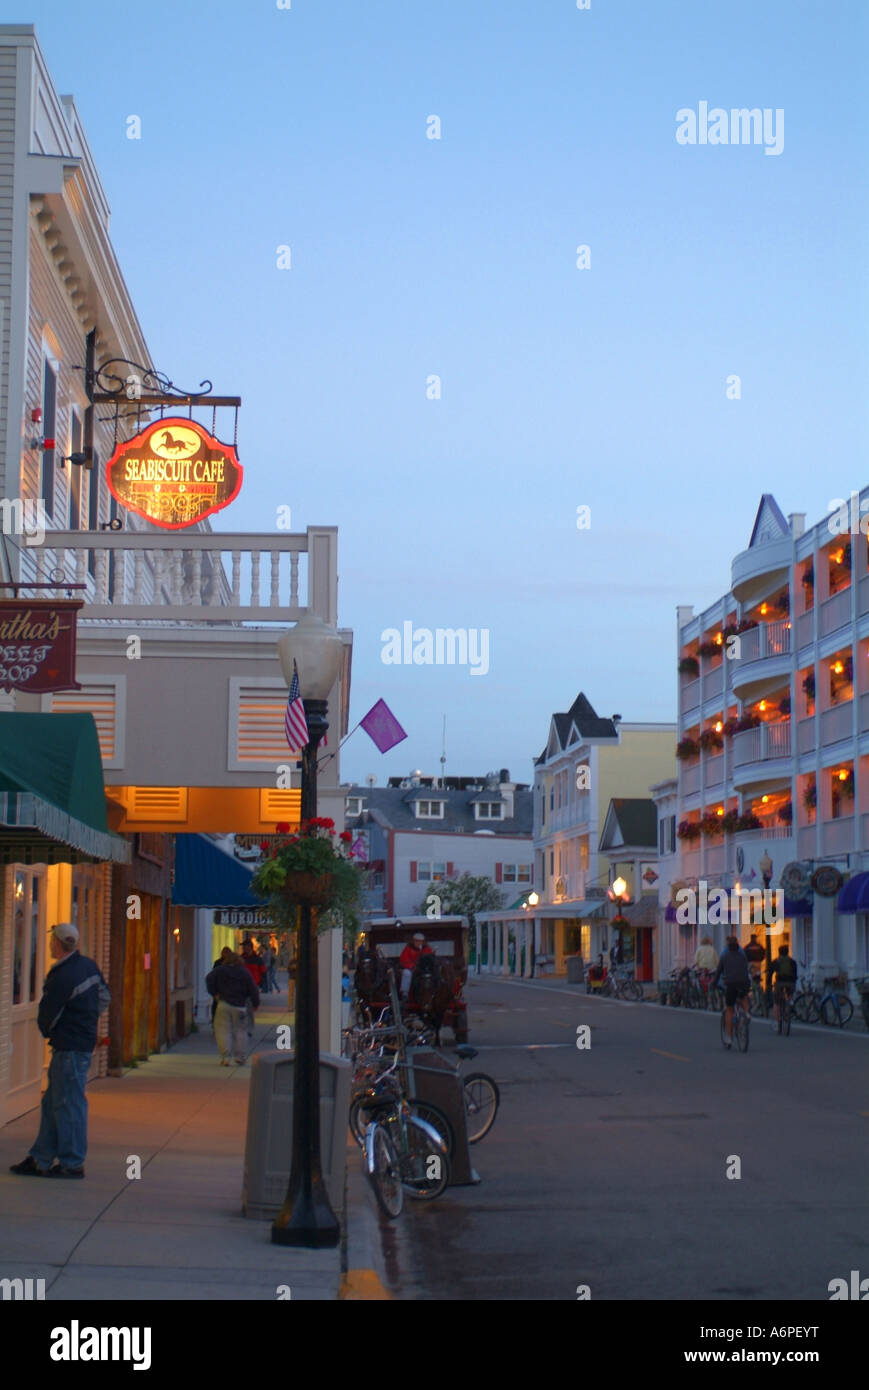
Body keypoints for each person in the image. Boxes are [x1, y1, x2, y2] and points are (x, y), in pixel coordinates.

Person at [10, 923, 110, 1179]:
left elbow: (49, 1016)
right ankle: (41, 1157)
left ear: (57, 943)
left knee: (68, 1104)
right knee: (53, 1103)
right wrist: (86, 1021)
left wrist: (54, 1032)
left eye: (52, 940)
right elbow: (104, 997)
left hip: (69, 1047)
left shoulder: (62, 976)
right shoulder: (88, 966)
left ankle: (72, 1162)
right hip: (79, 1044)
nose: (50, 944)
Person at [205, 950, 260, 1065]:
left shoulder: (220, 970)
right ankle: (240, 1056)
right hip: (240, 1005)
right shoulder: (244, 972)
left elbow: (209, 979)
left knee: (223, 1031)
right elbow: (253, 988)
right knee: (241, 1031)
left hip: (223, 1003)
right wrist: (255, 1003)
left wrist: (214, 993)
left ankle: (225, 1057)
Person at [712, 935, 751, 1048]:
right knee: (743, 997)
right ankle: (746, 1013)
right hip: (743, 982)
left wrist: (714, 983)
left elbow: (719, 971)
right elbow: (746, 968)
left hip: (731, 984)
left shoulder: (724, 955)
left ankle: (728, 1037)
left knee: (729, 1009)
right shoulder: (743, 954)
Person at [769, 944, 797, 1027]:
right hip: (790, 982)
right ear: (788, 952)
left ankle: (777, 1022)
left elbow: (770, 973)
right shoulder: (792, 961)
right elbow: (795, 973)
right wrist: (794, 981)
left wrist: (769, 984)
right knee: (790, 993)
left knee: (777, 1002)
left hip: (780, 982)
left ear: (779, 952)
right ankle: (791, 1001)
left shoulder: (776, 961)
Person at [399, 931, 433, 997]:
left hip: (423, 969)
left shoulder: (427, 949)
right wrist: (412, 966)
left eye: (420, 941)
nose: (418, 943)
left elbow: (430, 960)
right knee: (406, 973)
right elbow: (404, 960)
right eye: (417, 941)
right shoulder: (408, 948)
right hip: (411, 969)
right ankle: (405, 993)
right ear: (413, 941)